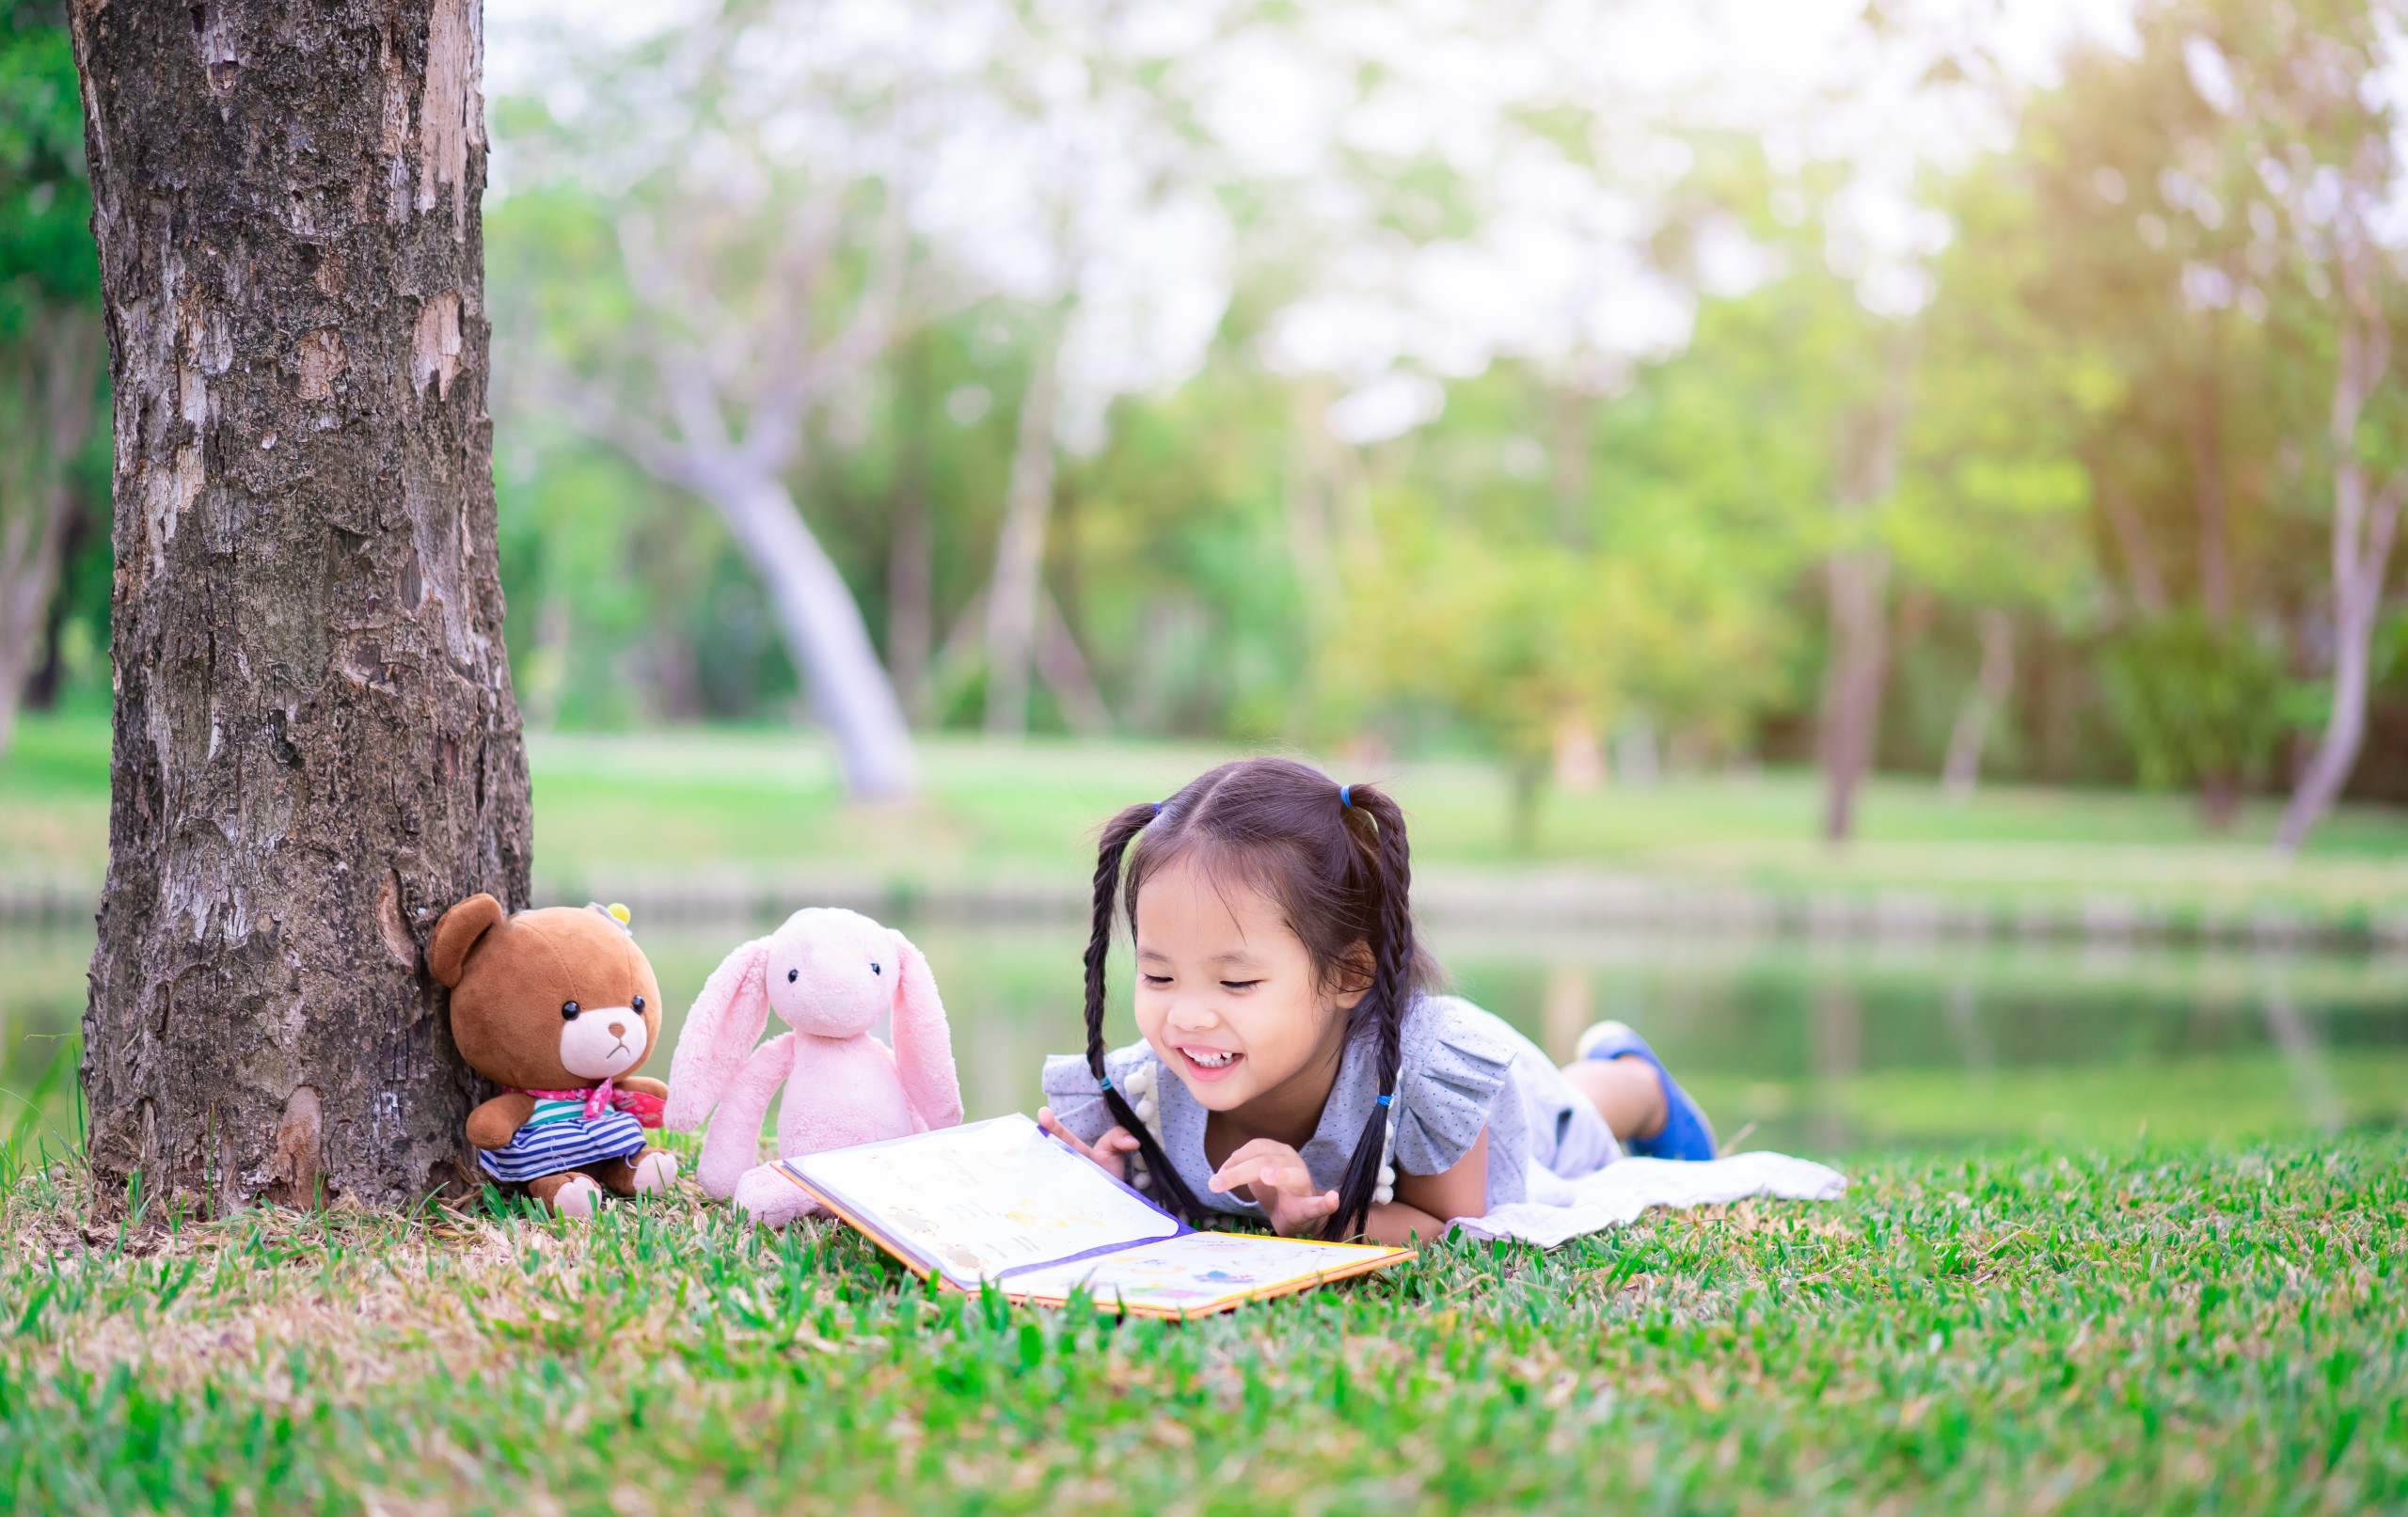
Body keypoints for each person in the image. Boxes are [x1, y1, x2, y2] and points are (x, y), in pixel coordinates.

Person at [1037, 757, 1718, 1247]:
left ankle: (1639, 1081)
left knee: (1570, 1120)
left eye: (1236, 983)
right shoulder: (1147, 1085)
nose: (1186, 1015)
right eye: (1158, 977)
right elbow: (1148, 1172)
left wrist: (1318, 1218)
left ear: (1348, 973)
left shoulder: (1426, 1072)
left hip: (1504, 1118)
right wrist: (1117, 1176)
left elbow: (1450, 1223)